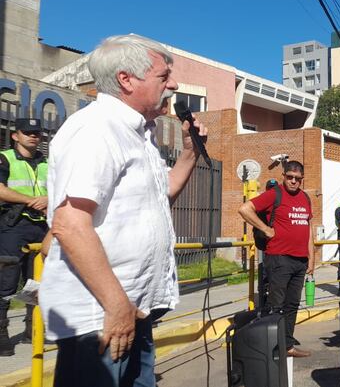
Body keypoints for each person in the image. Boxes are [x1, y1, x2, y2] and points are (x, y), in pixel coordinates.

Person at [39, 35, 208, 386]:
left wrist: (190, 152)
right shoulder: (96, 129)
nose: (173, 85)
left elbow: (163, 196)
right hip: (100, 316)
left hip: (132, 309)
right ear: (126, 80)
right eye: (164, 76)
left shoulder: (139, 134)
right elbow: (69, 224)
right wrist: (116, 306)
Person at [238, 160, 314, 358]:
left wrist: (311, 258)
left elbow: (308, 230)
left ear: (302, 179)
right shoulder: (275, 194)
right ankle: (271, 348)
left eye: (297, 179)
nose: (293, 181)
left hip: (300, 261)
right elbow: (245, 209)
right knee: (275, 305)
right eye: (290, 177)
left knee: (292, 305)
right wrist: (265, 229)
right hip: (279, 258)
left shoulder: (305, 198)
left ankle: (287, 346)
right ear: (284, 176)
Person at [0, 118, 49, 356]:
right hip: (13, 225)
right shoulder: (5, 158)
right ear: (15, 136)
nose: (33, 136)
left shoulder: (46, 162)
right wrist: (30, 200)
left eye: (37, 133)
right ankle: (1, 335)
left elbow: (61, 187)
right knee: (6, 282)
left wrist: (49, 199)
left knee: (38, 282)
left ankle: (34, 330)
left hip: (41, 226)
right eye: (27, 132)